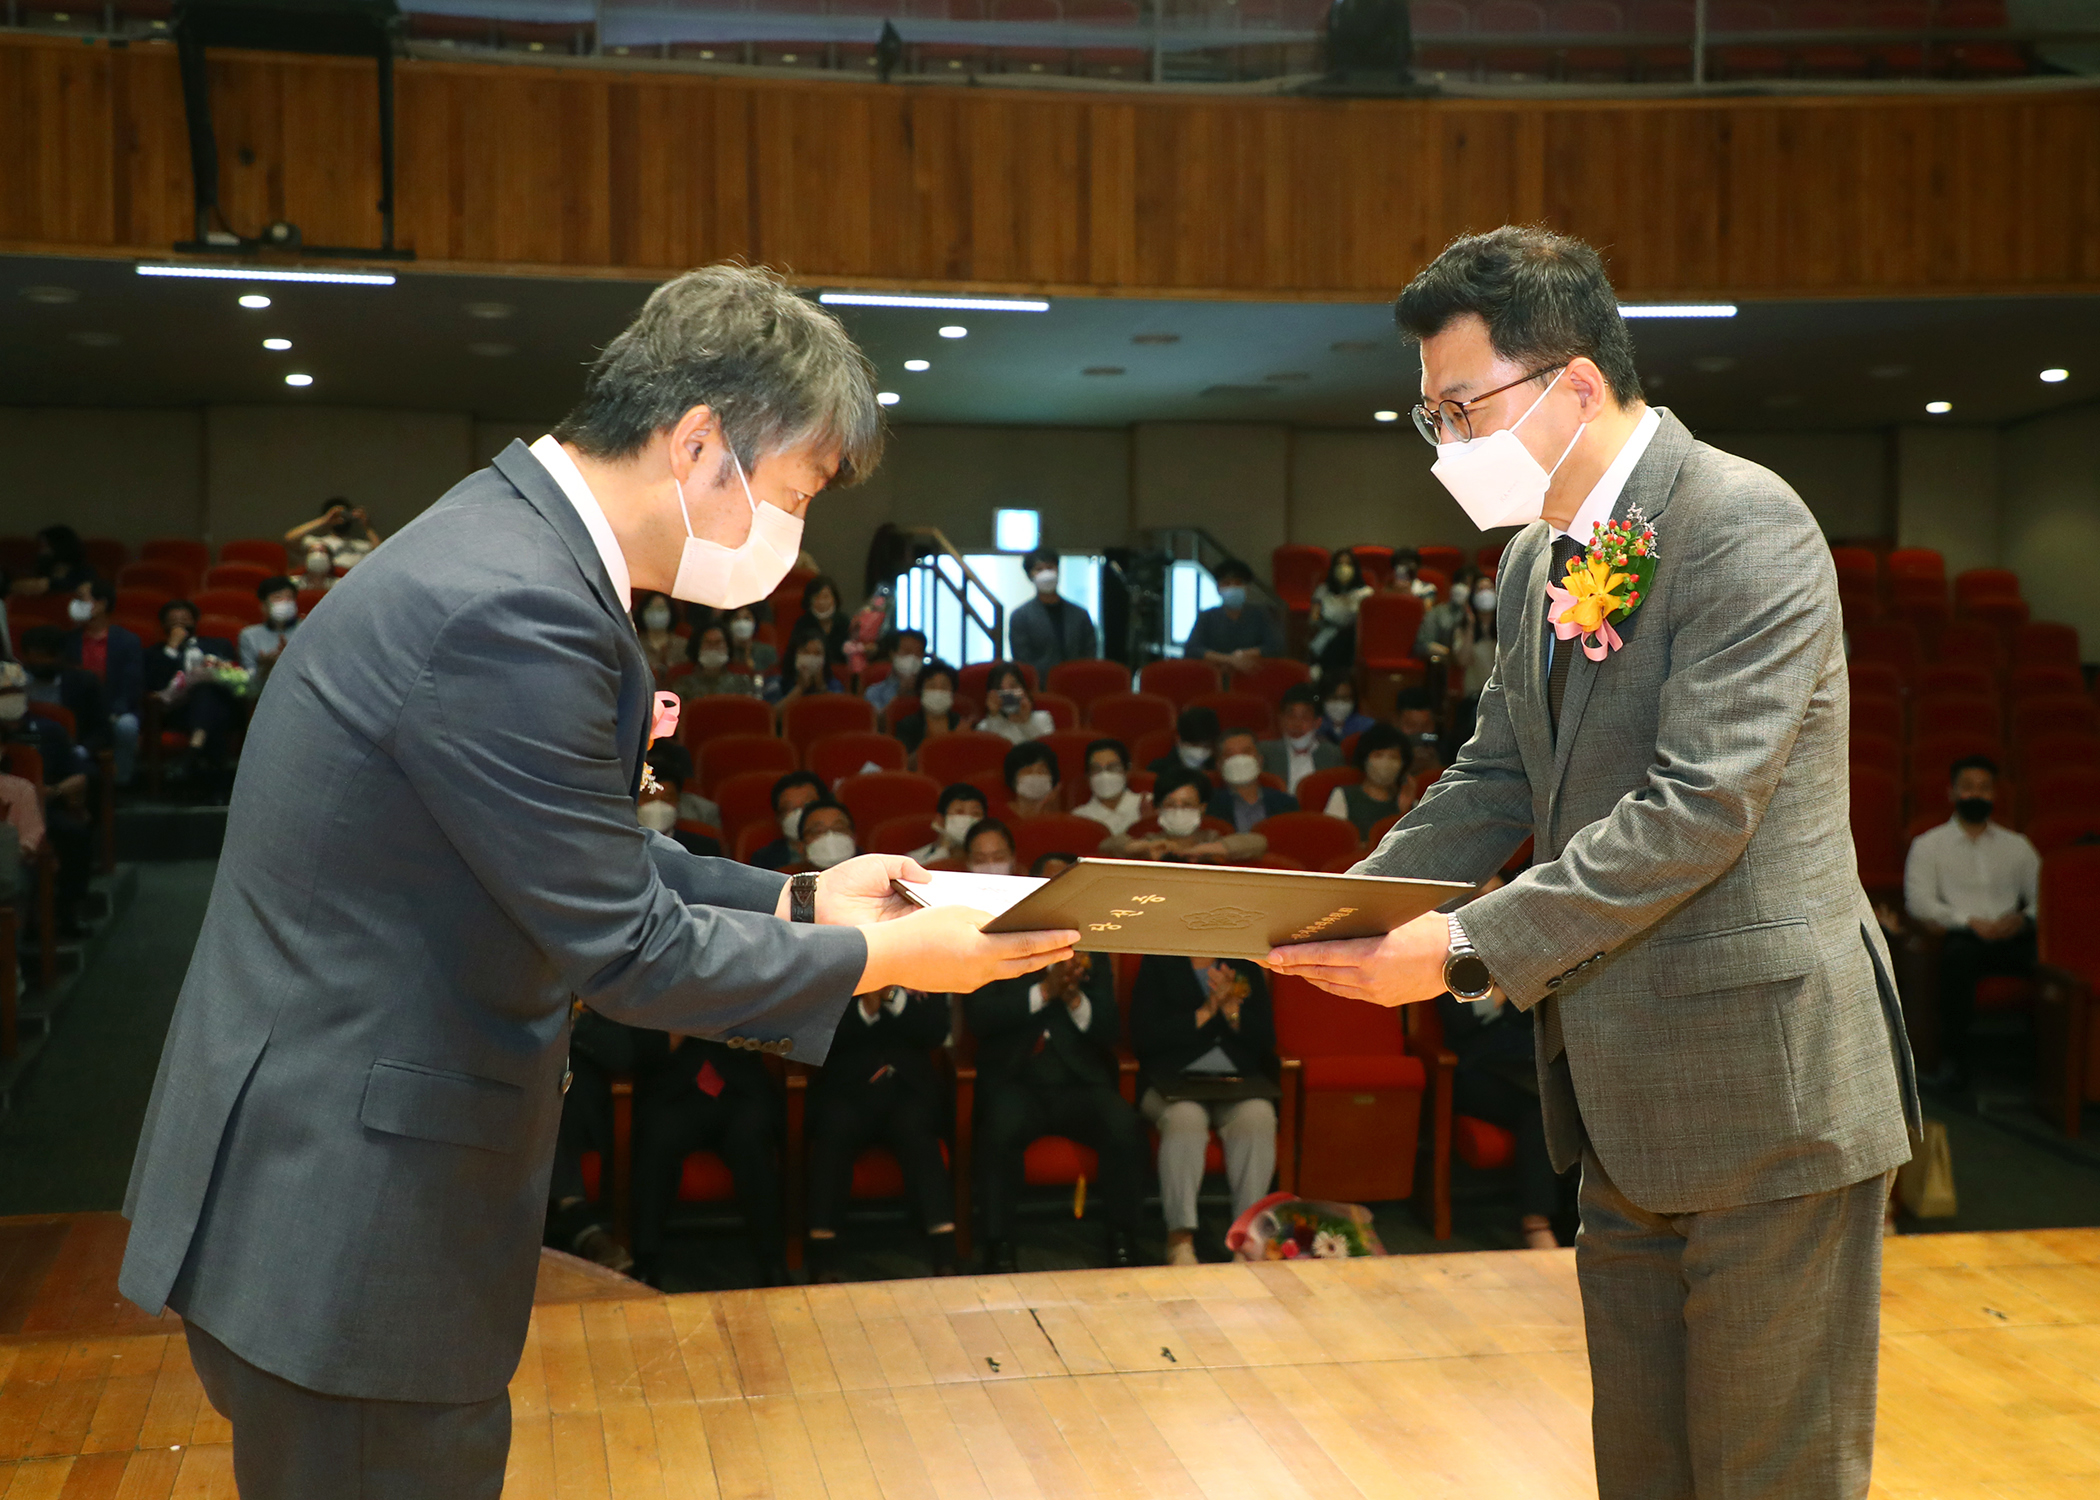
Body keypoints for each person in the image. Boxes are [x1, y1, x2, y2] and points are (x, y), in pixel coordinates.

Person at [119, 262, 1078, 1500]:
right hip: (349, 1210)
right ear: (698, 446)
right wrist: (889, 957)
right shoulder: (514, 604)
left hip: (333, 1174)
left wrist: (800, 898)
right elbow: (626, 950)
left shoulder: (510, 548)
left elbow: (574, 854)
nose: (791, 535)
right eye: (792, 493)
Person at [1264, 226, 1918, 1500]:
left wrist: (1458, 950)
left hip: (1766, 1091)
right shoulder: (1533, 560)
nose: (1447, 442)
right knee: (1648, 1470)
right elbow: (1497, 774)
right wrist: (1345, 909)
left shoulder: (1742, 519)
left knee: (1771, 1474)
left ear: (1572, 384)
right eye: (1430, 415)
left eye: (1462, 407)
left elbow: (1698, 810)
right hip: (1618, 1092)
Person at [966, 949, 1142, 1272]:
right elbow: (981, 1016)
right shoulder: (1001, 946)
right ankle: (998, 1244)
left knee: (1123, 1123)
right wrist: (1045, 991)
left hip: (1078, 1082)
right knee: (999, 1128)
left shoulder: (1092, 952)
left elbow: (1110, 1027)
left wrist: (1075, 999)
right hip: (1017, 1080)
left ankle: (1123, 1238)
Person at [1129, 953, 1279, 1267]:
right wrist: (1207, 1011)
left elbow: (1265, 1039)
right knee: (1187, 1119)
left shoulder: (1244, 963)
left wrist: (1231, 1010)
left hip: (1234, 1085)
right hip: (1170, 1084)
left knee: (1258, 1116)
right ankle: (1180, 1239)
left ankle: (1245, 1240)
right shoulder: (1159, 961)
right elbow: (1145, 1037)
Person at [804, 983, 958, 1281]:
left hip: (905, 1087)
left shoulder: (925, 957)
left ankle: (945, 1252)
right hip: (849, 1088)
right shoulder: (838, 952)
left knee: (917, 1130)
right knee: (834, 1128)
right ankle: (821, 1257)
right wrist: (866, 1009)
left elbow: (936, 1031)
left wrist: (892, 996)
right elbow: (818, 1033)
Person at [1903, 755, 2040, 1091]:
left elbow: (2046, 898)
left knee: (2053, 965)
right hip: (1963, 936)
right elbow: (1918, 903)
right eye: (1968, 788)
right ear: (1951, 793)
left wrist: (2023, 919)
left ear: (1995, 795)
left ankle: (2048, 1073)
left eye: (1984, 788)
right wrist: (1968, 921)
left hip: (2013, 935)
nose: (1976, 795)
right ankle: (1955, 1066)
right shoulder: (1928, 845)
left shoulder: (2018, 846)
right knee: (1956, 960)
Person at [629, 1027, 790, 1287]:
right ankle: (646, 1261)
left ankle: (771, 1261)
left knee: (753, 1137)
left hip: (737, 1087)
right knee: (657, 1137)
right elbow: (636, 1046)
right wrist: (683, 1022)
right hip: (676, 1091)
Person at [0, 660, 95, 937]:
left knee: (74, 833)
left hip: (43, 807)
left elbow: (80, 774)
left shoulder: (49, 729)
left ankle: (66, 912)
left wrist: (53, 792)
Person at [142, 600, 240, 799]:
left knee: (207, 694)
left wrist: (221, 666)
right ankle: (217, 789)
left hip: (219, 705)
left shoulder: (217, 644)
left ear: (195, 621)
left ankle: (191, 756)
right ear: (164, 625)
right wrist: (172, 647)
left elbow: (235, 675)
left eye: (185, 619)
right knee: (211, 715)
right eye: (174, 620)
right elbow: (155, 684)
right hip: (178, 712)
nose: (180, 623)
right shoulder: (155, 653)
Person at [59, 578, 143, 786]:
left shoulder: (127, 641)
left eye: (81, 598)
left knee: (127, 726)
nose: (75, 603)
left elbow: (131, 683)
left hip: (115, 709)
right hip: (77, 711)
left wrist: (114, 712)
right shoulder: (68, 641)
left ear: (102, 603)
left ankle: (121, 783)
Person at [1102, 765, 1266, 864]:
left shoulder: (1212, 839)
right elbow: (1107, 845)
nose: (1179, 810)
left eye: (1187, 805)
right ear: (1158, 808)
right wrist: (1143, 847)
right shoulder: (1151, 841)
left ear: (1202, 808)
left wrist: (1204, 850)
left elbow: (1258, 842)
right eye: (1171, 805)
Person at [1007, 549, 1098, 686]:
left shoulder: (1080, 614)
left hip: (1079, 684)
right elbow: (1023, 660)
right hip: (1040, 687)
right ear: (1030, 576)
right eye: (1039, 569)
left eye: (1050, 567)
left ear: (1058, 570)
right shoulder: (1021, 616)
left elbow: (1090, 653)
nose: (1046, 573)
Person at [1183, 560, 1282, 675]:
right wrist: (1230, 660)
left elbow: (1276, 646)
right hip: (1215, 676)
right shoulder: (1207, 616)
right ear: (1218, 589)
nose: (1233, 587)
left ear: (1247, 588)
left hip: (1252, 677)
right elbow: (1192, 649)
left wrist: (1244, 654)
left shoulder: (1260, 614)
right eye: (1226, 583)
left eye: (1238, 583)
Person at [1322, 722, 1414, 838]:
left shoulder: (1411, 802)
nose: (1385, 763)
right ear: (1365, 759)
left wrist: (1404, 812)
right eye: (1378, 755)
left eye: (1393, 757)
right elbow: (1332, 840)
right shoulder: (1343, 796)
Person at [1207, 727, 1294, 834]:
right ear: (1219, 765)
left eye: (1246, 752)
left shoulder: (1287, 804)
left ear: (1259, 760)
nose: (1239, 760)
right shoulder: (1208, 808)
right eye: (1229, 755)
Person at [1260, 684, 1341, 796]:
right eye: (1290, 716)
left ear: (1317, 723)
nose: (1297, 724)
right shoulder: (1265, 753)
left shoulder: (1332, 754)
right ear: (1281, 720)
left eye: (1305, 717)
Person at [1307, 548, 1373, 683]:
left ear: (1355, 568)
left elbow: (1368, 625)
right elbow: (1313, 619)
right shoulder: (1323, 590)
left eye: (1348, 564)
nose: (1343, 568)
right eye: (1339, 564)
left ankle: (1326, 672)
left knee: (1348, 632)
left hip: (1354, 641)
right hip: (1326, 635)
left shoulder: (1366, 593)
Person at [748, 770, 827, 871]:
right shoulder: (763, 860)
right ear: (779, 818)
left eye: (808, 805)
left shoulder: (847, 849)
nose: (800, 814)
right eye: (790, 808)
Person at [1072, 737, 1149, 836]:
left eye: (1113, 767)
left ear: (1127, 771)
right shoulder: (1079, 818)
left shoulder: (1147, 803)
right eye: (1096, 769)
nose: (1104, 775)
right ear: (1088, 776)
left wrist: (1147, 822)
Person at [671, 620, 763, 700]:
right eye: (708, 643)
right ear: (698, 647)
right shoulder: (683, 684)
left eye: (718, 643)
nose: (713, 647)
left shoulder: (741, 683)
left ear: (728, 647)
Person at [906, 782, 988, 868]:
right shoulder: (914, 859)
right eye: (959, 812)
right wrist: (943, 848)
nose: (968, 819)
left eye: (976, 814)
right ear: (940, 819)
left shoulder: (994, 859)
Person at [893, 659, 963, 760]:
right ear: (921, 691)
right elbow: (903, 763)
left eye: (944, 687)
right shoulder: (907, 725)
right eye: (931, 686)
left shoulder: (959, 723)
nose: (938, 692)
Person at [285, 498, 382, 570]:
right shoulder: (317, 543)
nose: (341, 519)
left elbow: (381, 554)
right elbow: (289, 538)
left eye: (345, 515)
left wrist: (366, 526)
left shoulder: (360, 545)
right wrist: (324, 520)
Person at [5, 524, 95, 600]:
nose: (41, 552)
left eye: (45, 547)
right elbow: (13, 586)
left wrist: (49, 585)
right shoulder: (42, 569)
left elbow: (82, 589)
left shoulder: (84, 571)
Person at [765, 622, 844, 705]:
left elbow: (837, 712)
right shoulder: (776, 682)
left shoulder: (834, 685)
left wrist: (820, 687)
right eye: (805, 652)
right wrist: (800, 688)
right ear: (794, 654)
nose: (811, 658)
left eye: (817, 653)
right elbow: (771, 714)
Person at [975, 662, 1053, 745]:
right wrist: (994, 716)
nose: (1008, 694)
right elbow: (994, 750)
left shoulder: (1043, 718)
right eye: (1000, 689)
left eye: (1013, 687)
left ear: (1024, 690)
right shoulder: (984, 726)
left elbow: (1044, 750)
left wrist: (1025, 722)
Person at [237, 576, 301, 676]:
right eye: (278, 598)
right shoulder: (249, 636)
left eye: (289, 598)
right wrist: (265, 667)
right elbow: (248, 684)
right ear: (264, 606)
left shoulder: (308, 630)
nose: (285, 602)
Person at [782, 798, 858, 873]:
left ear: (854, 838)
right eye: (818, 831)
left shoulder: (869, 876)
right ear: (801, 846)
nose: (830, 837)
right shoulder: (786, 881)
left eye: (839, 829)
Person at [1146, 705, 1220, 778]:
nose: (1200, 751)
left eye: (1206, 746)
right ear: (1178, 739)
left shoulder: (1220, 770)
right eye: (1194, 745)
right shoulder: (1158, 770)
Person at [865, 628, 927, 714]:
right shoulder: (875, 692)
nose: (912, 658)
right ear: (892, 654)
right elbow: (877, 723)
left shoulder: (930, 687)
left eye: (918, 654)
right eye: (907, 652)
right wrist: (900, 696)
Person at [795, 573, 850, 666]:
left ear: (834, 599)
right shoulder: (803, 623)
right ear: (810, 600)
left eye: (826, 597)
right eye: (817, 597)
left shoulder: (844, 622)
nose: (821, 602)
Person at [999, 740, 1062, 820]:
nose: (1035, 776)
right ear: (1013, 778)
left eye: (1042, 771)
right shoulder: (998, 815)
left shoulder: (1058, 818)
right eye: (1027, 771)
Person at [632, 590, 686, 677]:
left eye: (661, 608)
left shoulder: (682, 645)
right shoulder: (635, 645)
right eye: (651, 608)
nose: (656, 613)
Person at [720, 604, 779, 676]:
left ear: (755, 623)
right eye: (736, 618)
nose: (742, 623)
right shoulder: (723, 650)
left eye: (747, 618)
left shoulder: (767, 652)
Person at [1317, 677, 1375, 746]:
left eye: (1345, 699)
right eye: (1334, 698)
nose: (1339, 704)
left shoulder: (1367, 727)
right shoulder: (1315, 727)